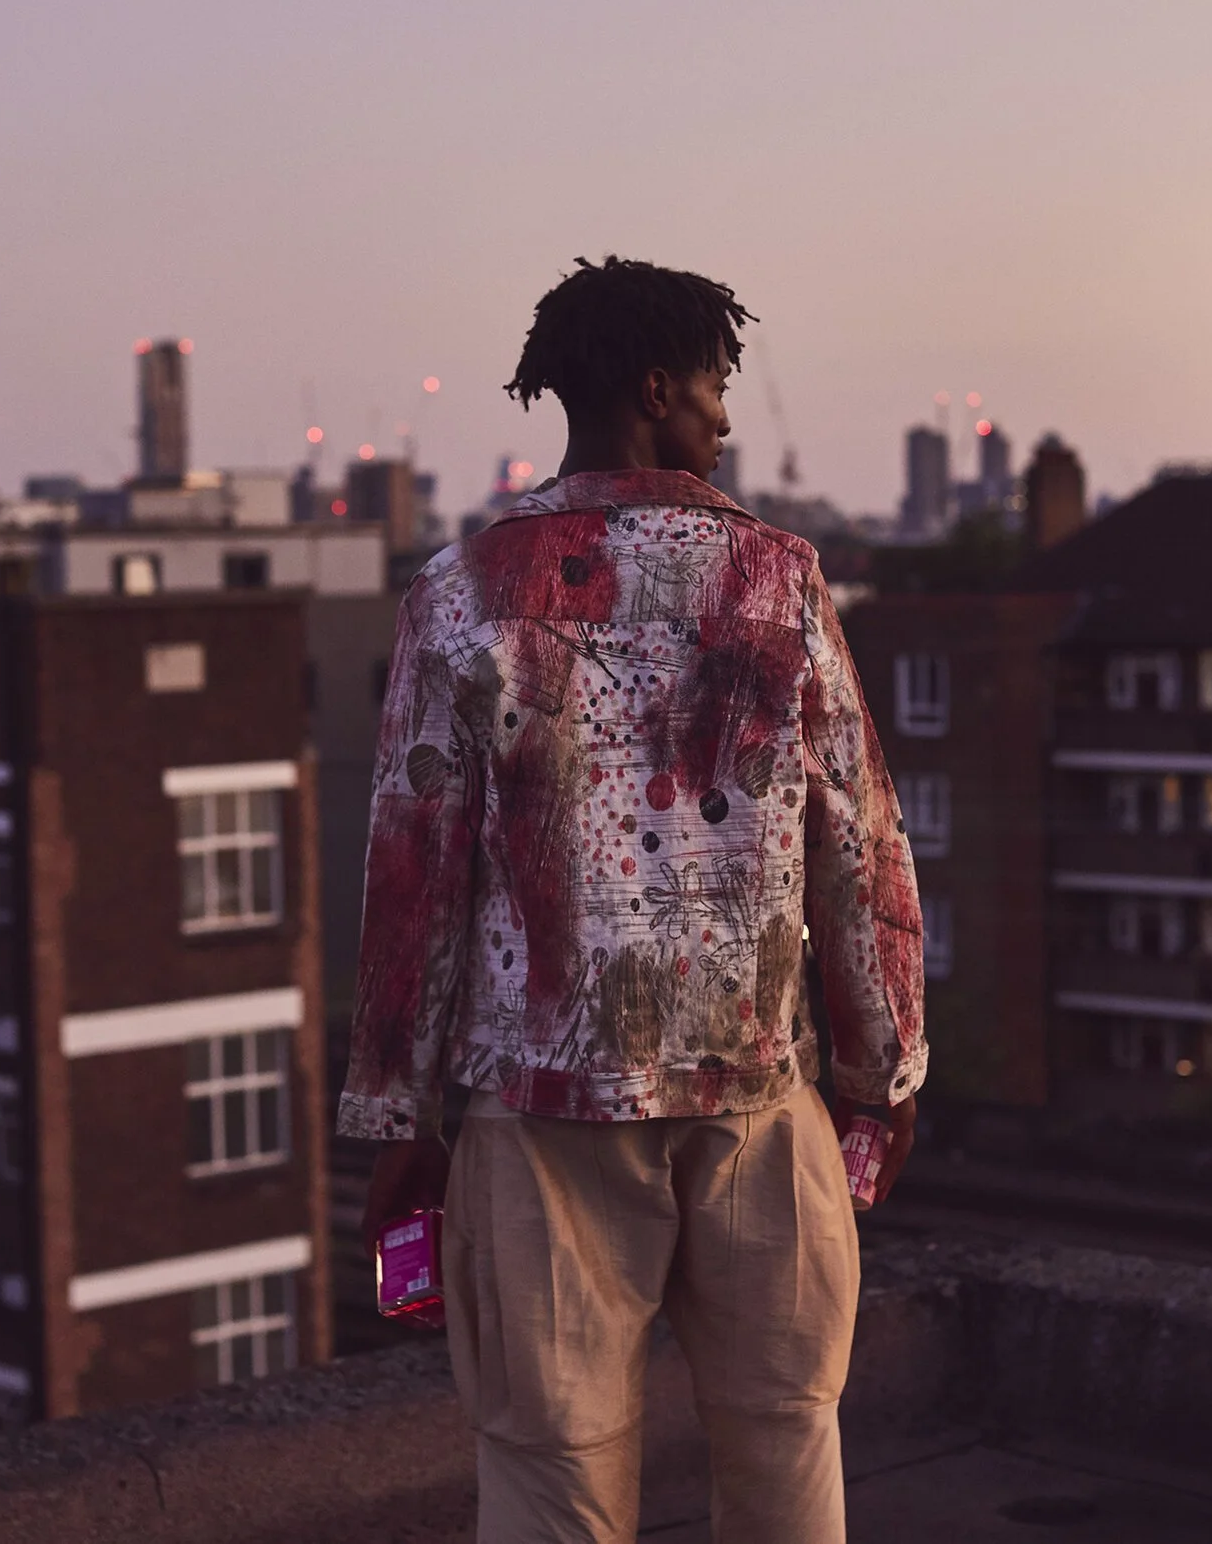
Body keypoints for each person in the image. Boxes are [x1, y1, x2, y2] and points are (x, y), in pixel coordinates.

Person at [340, 256, 928, 1544]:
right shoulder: (779, 578)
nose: (725, 417)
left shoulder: (461, 592)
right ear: (656, 390)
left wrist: (399, 1116)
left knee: (549, 1480)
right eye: (715, 386)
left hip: (541, 1118)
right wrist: (881, 1075)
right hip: (757, 1101)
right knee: (786, 1453)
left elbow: (411, 878)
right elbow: (861, 842)